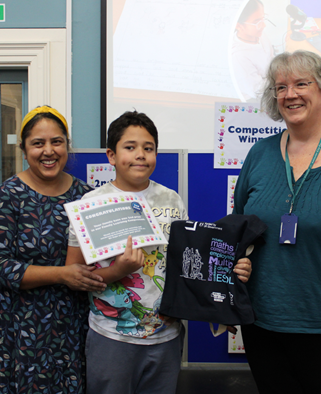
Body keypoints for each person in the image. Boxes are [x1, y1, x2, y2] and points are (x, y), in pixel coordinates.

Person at [233, 50, 321, 393]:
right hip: (263, 320)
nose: (290, 94)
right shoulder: (260, 154)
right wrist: (236, 270)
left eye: (301, 84)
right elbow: (239, 232)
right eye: (281, 87)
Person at [0, 106, 106, 394]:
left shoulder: (86, 196)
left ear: (66, 145)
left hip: (69, 327)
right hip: (16, 329)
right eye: (38, 143)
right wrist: (62, 274)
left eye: (57, 141)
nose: (48, 151)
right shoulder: (5, 196)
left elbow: (99, 260)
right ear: (24, 149)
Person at [65, 111, 188, 394]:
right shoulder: (91, 204)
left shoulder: (171, 199)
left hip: (166, 336)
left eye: (148, 148)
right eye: (130, 147)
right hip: (112, 337)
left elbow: (182, 262)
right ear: (111, 155)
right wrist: (119, 271)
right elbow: (73, 274)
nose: (140, 155)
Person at [231, 0, 274, 101]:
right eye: (256, 22)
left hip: (272, 82)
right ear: (238, 25)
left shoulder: (258, 33)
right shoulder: (238, 57)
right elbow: (258, 91)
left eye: (263, 19)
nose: (263, 25)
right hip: (256, 97)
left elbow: (270, 57)